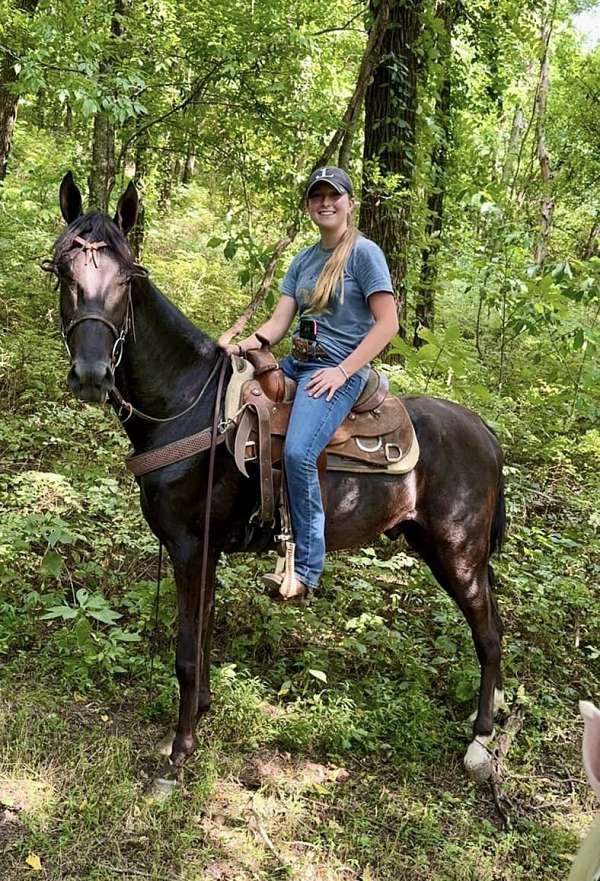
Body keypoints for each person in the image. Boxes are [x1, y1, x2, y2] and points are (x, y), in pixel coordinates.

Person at [219, 166, 399, 603]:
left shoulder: (364, 254)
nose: (325, 202)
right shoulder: (303, 259)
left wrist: (342, 372)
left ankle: (307, 570)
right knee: (231, 410)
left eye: (334, 195)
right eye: (317, 196)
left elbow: (388, 323)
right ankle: (247, 526)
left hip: (341, 371)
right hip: (298, 363)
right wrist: (243, 347)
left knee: (300, 451)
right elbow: (280, 323)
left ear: (349, 203)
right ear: (308, 205)